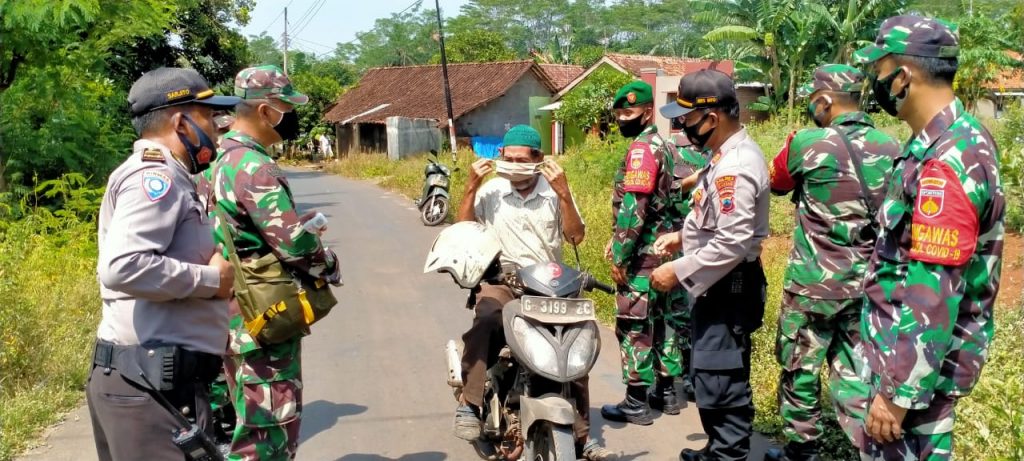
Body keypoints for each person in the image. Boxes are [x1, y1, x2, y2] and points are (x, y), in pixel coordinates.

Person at [851, 15, 1005, 460]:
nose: (874, 83)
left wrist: (898, 394)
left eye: (878, 72)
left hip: (914, 380)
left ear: (902, 77)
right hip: (901, 361)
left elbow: (932, 290)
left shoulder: (948, 160)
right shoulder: (935, 144)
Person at [88, 67, 239, 460]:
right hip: (150, 388)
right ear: (181, 122)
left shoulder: (172, 176)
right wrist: (213, 280)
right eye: (209, 116)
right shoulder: (156, 178)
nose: (217, 128)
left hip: (158, 383)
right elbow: (123, 266)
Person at [197, 64, 342, 460]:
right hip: (261, 316)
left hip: (228, 310)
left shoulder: (213, 159)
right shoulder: (254, 166)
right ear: (265, 111)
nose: (290, 117)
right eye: (286, 108)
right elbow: (295, 246)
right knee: (267, 435)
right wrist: (329, 263)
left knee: (248, 420)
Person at [763, 64, 901, 461]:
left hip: (812, 285)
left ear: (824, 100)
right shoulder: (892, 147)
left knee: (800, 367)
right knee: (855, 368)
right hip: (867, 285)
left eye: (813, 101)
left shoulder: (808, 142)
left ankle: (802, 449)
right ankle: (864, 447)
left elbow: (777, 181)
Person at [453, 125, 612, 459]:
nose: (514, 166)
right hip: (505, 281)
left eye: (522, 160)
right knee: (487, 318)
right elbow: (464, 229)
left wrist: (564, 194)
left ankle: (582, 436)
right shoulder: (491, 191)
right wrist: (470, 187)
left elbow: (575, 237)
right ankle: (470, 403)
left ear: (538, 160)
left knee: (575, 343)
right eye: (508, 159)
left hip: (550, 285)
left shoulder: (555, 192)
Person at [651, 69, 770, 461]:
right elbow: (716, 222)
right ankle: (717, 449)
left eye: (686, 119)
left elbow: (733, 242)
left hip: (728, 286)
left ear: (712, 118)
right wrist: (682, 237)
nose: (682, 127)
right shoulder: (723, 156)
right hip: (718, 282)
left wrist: (678, 269)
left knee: (721, 381)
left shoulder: (735, 166)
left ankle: (728, 454)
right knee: (709, 374)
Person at [599, 80, 684, 426]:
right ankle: (667, 393)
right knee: (664, 322)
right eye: (619, 113)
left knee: (635, 326)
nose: (622, 119)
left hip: (642, 257)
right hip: (665, 252)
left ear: (647, 112)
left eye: (629, 112)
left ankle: (636, 401)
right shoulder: (666, 145)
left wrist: (621, 254)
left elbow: (635, 207)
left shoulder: (641, 150)